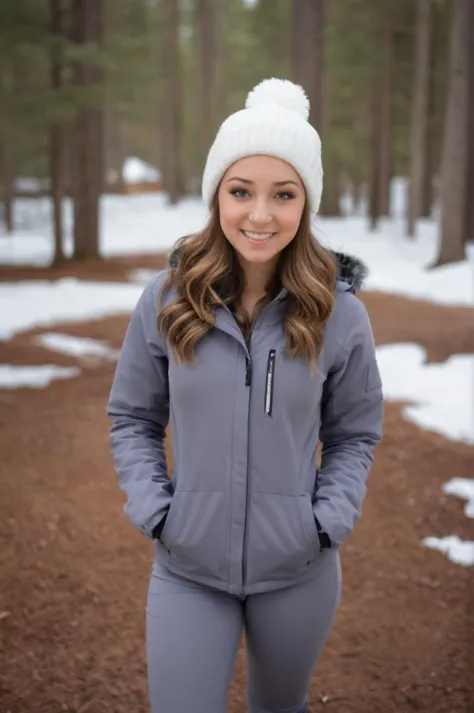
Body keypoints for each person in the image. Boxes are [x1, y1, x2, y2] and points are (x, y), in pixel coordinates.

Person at [107, 77, 384, 713]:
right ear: (217, 197)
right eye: (241, 191)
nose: (260, 215)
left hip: (299, 572)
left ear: (304, 204)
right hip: (188, 569)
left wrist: (325, 522)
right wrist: (158, 512)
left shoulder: (340, 314)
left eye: (282, 194)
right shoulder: (168, 300)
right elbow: (131, 417)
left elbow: (354, 433)